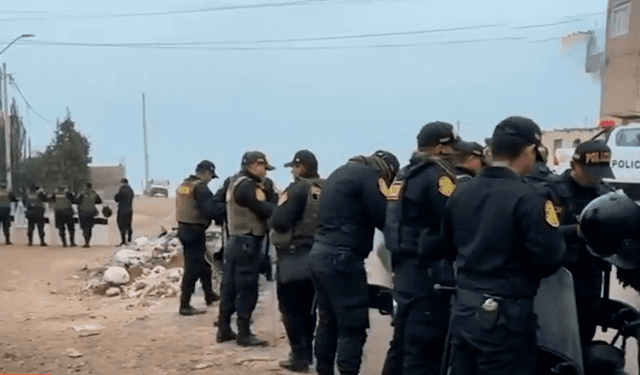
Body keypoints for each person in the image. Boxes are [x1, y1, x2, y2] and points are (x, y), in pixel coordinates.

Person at [438, 116, 567, 375]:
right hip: (507, 319)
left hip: (464, 311)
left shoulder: (461, 193)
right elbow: (549, 258)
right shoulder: (531, 197)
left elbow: (447, 247)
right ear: (531, 150)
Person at [309, 150, 399, 375]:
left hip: (319, 254)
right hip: (343, 259)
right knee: (353, 326)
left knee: (327, 321)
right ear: (386, 170)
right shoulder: (370, 175)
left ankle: (324, 371)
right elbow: (384, 217)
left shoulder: (338, 173)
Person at [382, 121, 457, 375]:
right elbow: (453, 217)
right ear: (440, 148)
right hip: (427, 272)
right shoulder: (438, 176)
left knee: (402, 343)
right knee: (424, 350)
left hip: (404, 270)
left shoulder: (404, 174)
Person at [544, 140, 617, 354]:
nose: (596, 177)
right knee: (554, 340)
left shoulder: (607, 195)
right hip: (556, 277)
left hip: (590, 276)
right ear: (575, 165)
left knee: (583, 336)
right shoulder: (551, 192)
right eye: (590, 171)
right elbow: (540, 232)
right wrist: (576, 231)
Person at [216, 151, 278, 347]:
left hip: (236, 241)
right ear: (254, 165)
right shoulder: (247, 186)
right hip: (247, 241)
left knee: (230, 287)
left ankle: (224, 328)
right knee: (247, 288)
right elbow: (264, 209)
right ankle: (244, 333)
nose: (265, 173)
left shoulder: (235, 182)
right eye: (263, 168)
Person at [269, 150, 323, 372]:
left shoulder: (297, 188)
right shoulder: (325, 188)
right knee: (310, 307)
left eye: (293, 167)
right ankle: (308, 353)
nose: (292, 171)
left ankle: (298, 357)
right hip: (318, 252)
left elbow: (279, 220)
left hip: (293, 254)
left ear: (301, 168)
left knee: (291, 308)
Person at [175, 160, 221, 316]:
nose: (210, 180)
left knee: (203, 263)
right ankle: (185, 305)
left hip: (183, 229)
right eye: (211, 176)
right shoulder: (200, 187)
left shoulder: (184, 185)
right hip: (194, 230)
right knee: (192, 268)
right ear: (207, 173)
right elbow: (210, 209)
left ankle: (209, 294)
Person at [75, 182, 102, 248]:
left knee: (84, 227)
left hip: (83, 212)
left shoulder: (82, 193)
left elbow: (77, 201)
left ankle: (86, 242)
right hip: (91, 212)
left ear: (85, 186)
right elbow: (99, 201)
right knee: (89, 227)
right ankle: (88, 241)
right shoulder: (94, 193)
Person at [114, 178, 135, 246]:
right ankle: (129, 239)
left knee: (121, 224)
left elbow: (116, 199)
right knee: (128, 224)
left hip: (122, 209)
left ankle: (123, 240)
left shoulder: (122, 190)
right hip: (129, 209)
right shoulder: (131, 190)